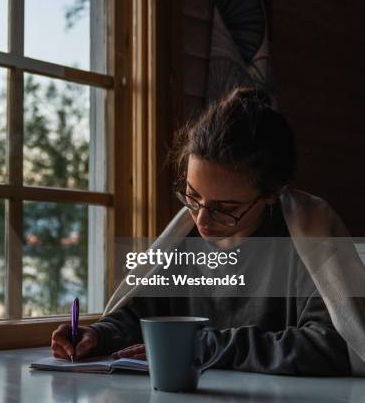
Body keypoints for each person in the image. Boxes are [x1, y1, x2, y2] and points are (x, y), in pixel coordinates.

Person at [50, 87, 360, 376]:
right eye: (192, 196)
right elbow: (140, 314)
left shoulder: (308, 237)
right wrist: (99, 334)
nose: (202, 220)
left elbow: (335, 345)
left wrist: (206, 347)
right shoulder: (185, 238)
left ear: (272, 194)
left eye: (225, 208)